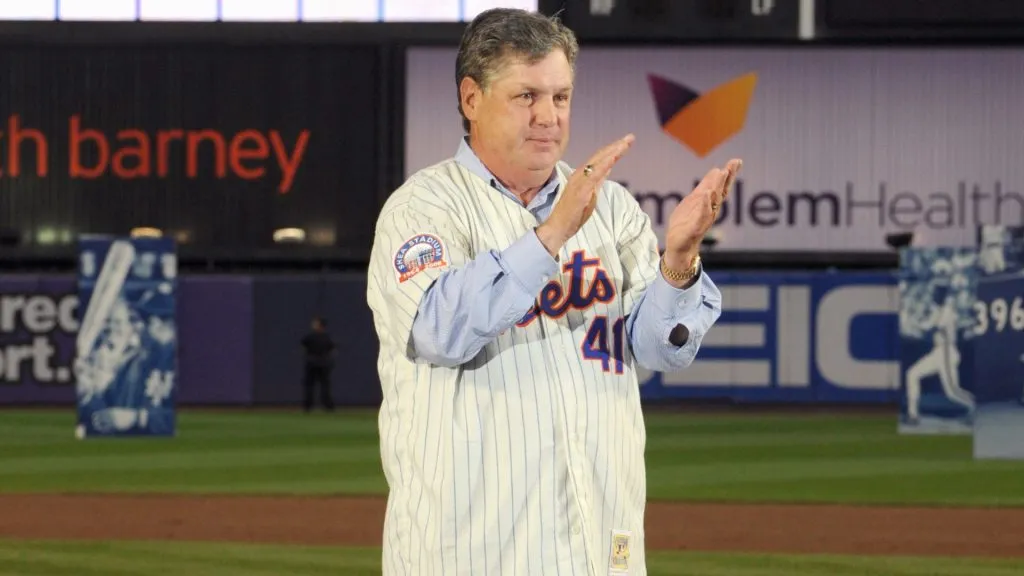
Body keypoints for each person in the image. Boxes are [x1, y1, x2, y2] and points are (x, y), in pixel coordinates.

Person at [366, 8, 739, 575]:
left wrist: (679, 263)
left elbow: (663, 350)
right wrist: (551, 235)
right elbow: (439, 332)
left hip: (596, 546)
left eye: (560, 97)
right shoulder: (424, 207)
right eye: (526, 97)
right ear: (472, 99)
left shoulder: (610, 207)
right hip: (467, 554)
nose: (548, 117)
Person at [300, 316, 335, 411]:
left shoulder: (321, 337)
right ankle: (311, 405)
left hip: (317, 363)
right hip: (319, 363)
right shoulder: (314, 337)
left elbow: (303, 348)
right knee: (314, 385)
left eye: (316, 324)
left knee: (322, 385)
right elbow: (332, 350)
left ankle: (324, 405)